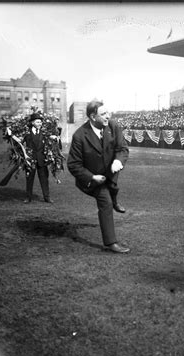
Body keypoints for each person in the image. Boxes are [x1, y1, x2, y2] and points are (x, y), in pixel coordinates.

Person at [67, 100, 130, 253]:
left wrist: (117, 160)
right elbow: (73, 164)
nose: (108, 117)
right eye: (103, 114)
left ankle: (114, 199)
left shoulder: (113, 126)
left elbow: (122, 148)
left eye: (108, 113)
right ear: (92, 117)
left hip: (110, 175)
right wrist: (92, 177)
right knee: (105, 202)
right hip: (92, 180)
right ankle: (110, 243)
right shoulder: (80, 136)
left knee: (112, 188)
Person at [23, 113, 53, 203]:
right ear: (32, 123)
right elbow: (19, 142)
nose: (40, 123)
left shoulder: (44, 133)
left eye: (40, 122)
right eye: (38, 122)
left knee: (44, 179)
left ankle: (47, 197)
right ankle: (28, 197)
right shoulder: (27, 133)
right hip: (30, 160)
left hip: (42, 160)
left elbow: (50, 143)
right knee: (29, 179)